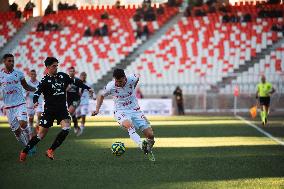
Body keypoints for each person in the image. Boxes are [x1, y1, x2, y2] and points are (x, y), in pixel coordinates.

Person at [19, 57, 93, 162]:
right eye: (54, 66)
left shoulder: (62, 76)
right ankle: (25, 151)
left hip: (62, 110)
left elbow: (76, 82)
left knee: (66, 128)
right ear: (48, 67)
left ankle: (50, 150)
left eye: (57, 66)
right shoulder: (44, 80)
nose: (56, 68)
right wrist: (35, 101)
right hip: (49, 110)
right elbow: (37, 93)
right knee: (40, 135)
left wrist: (87, 88)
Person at [93, 68, 155, 161]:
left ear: (125, 78)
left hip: (135, 110)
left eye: (120, 81)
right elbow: (100, 95)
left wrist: (133, 86)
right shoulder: (111, 86)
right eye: (117, 81)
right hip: (120, 111)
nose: (118, 83)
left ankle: (147, 150)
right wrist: (97, 109)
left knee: (150, 135)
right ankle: (141, 145)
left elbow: (137, 76)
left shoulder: (132, 79)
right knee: (129, 126)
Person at [0, 54, 36, 150]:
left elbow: (26, 86)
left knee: (23, 123)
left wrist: (36, 89)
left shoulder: (19, 73)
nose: (12, 63)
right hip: (8, 107)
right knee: (17, 132)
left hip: (20, 103)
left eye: (13, 61)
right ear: (4, 62)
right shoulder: (0, 75)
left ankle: (29, 135)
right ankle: (26, 147)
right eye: (9, 61)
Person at [75, 72, 95, 136]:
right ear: (80, 76)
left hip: (85, 103)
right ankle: (76, 126)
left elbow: (91, 91)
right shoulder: (76, 83)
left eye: (84, 76)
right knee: (76, 117)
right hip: (77, 102)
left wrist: (93, 96)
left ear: (86, 77)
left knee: (83, 115)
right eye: (82, 76)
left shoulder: (88, 84)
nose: (83, 77)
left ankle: (81, 128)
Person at [26, 70, 43, 135]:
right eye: (32, 74)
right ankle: (30, 130)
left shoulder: (39, 83)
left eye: (34, 74)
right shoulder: (27, 84)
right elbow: (23, 93)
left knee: (39, 115)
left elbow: (42, 92)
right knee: (31, 119)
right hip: (30, 103)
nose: (33, 75)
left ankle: (37, 127)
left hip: (38, 102)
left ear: (36, 75)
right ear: (30, 75)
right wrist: (26, 94)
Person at [67, 67, 83, 135]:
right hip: (69, 100)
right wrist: (68, 88)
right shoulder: (66, 81)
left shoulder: (78, 80)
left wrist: (80, 91)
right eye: (70, 71)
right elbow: (64, 90)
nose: (72, 72)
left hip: (76, 99)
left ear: (75, 72)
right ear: (68, 72)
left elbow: (80, 91)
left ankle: (67, 126)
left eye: (73, 71)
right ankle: (76, 127)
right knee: (72, 114)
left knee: (69, 112)